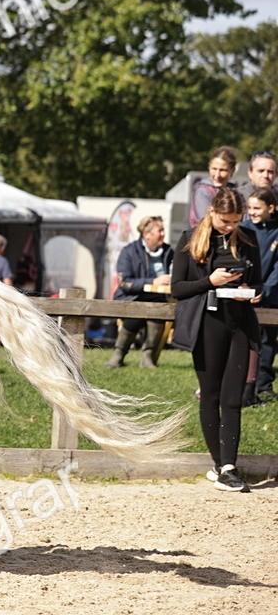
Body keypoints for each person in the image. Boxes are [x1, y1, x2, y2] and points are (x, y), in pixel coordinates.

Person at [171, 187, 262, 493]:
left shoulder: (248, 240)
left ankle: (228, 466)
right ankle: (219, 464)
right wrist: (210, 281)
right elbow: (178, 288)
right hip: (207, 324)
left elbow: (258, 281)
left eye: (236, 221)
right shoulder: (190, 238)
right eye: (226, 220)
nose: (230, 226)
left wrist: (254, 291)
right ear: (212, 212)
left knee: (233, 398)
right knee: (210, 395)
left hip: (240, 324)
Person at [108, 216, 174, 369]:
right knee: (138, 314)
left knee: (157, 312)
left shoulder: (169, 251)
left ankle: (147, 357)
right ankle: (119, 354)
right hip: (132, 297)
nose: (163, 234)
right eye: (160, 230)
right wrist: (153, 281)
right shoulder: (129, 251)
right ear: (146, 233)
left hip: (159, 298)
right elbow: (124, 282)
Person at [242, 186, 277, 405]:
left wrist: (265, 291)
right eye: (250, 208)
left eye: (257, 208)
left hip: (272, 296)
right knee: (245, 341)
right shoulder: (243, 228)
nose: (252, 212)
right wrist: (246, 287)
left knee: (267, 341)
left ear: (271, 208)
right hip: (245, 293)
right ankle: (245, 387)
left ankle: (263, 385)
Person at [189, 146, 237, 228]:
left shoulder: (234, 191)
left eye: (222, 170)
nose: (217, 175)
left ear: (232, 170)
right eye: (214, 169)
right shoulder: (203, 191)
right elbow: (207, 221)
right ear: (209, 168)